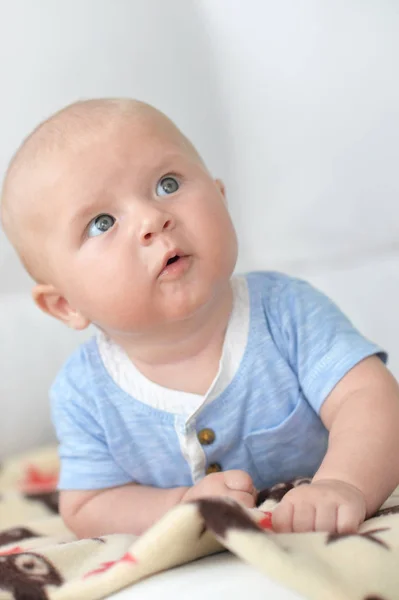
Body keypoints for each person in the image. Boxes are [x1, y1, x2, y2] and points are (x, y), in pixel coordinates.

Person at [2, 98, 399, 539]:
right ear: (65, 305)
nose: (154, 218)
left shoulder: (286, 312)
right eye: (101, 222)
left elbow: (371, 399)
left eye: (167, 184)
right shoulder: (84, 393)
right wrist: (179, 505)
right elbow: (89, 505)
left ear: (221, 199)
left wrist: (343, 484)